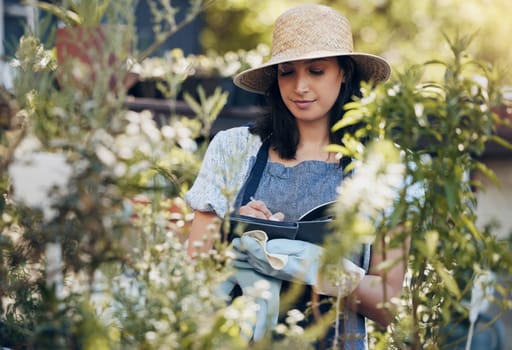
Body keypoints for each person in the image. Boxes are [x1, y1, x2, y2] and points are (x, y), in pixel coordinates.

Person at [185, 4, 409, 349]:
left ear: (344, 73)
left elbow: (389, 306)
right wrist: (234, 231)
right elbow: (193, 270)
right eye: (287, 72)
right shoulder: (233, 148)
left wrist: (320, 269)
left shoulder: (381, 165)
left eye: (316, 71)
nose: (300, 86)